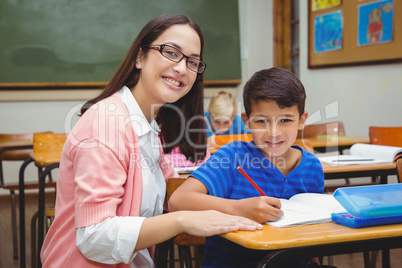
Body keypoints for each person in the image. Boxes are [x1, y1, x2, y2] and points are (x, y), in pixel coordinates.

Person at [40, 14, 262, 268]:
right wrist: (182, 221)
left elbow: (173, 188)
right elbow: (94, 236)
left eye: (193, 61)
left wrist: (239, 205)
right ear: (139, 57)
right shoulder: (106, 123)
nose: (181, 68)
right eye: (170, 52)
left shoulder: (148, 125)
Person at [169, 67, 327, 268]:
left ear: (302, 121)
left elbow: (311, 237)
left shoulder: (312, 167)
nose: (274, 132)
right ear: (246, 122)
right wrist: (238, 209)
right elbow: (178, 201)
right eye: (261, 121)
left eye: (285, 120)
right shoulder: (232, 157)